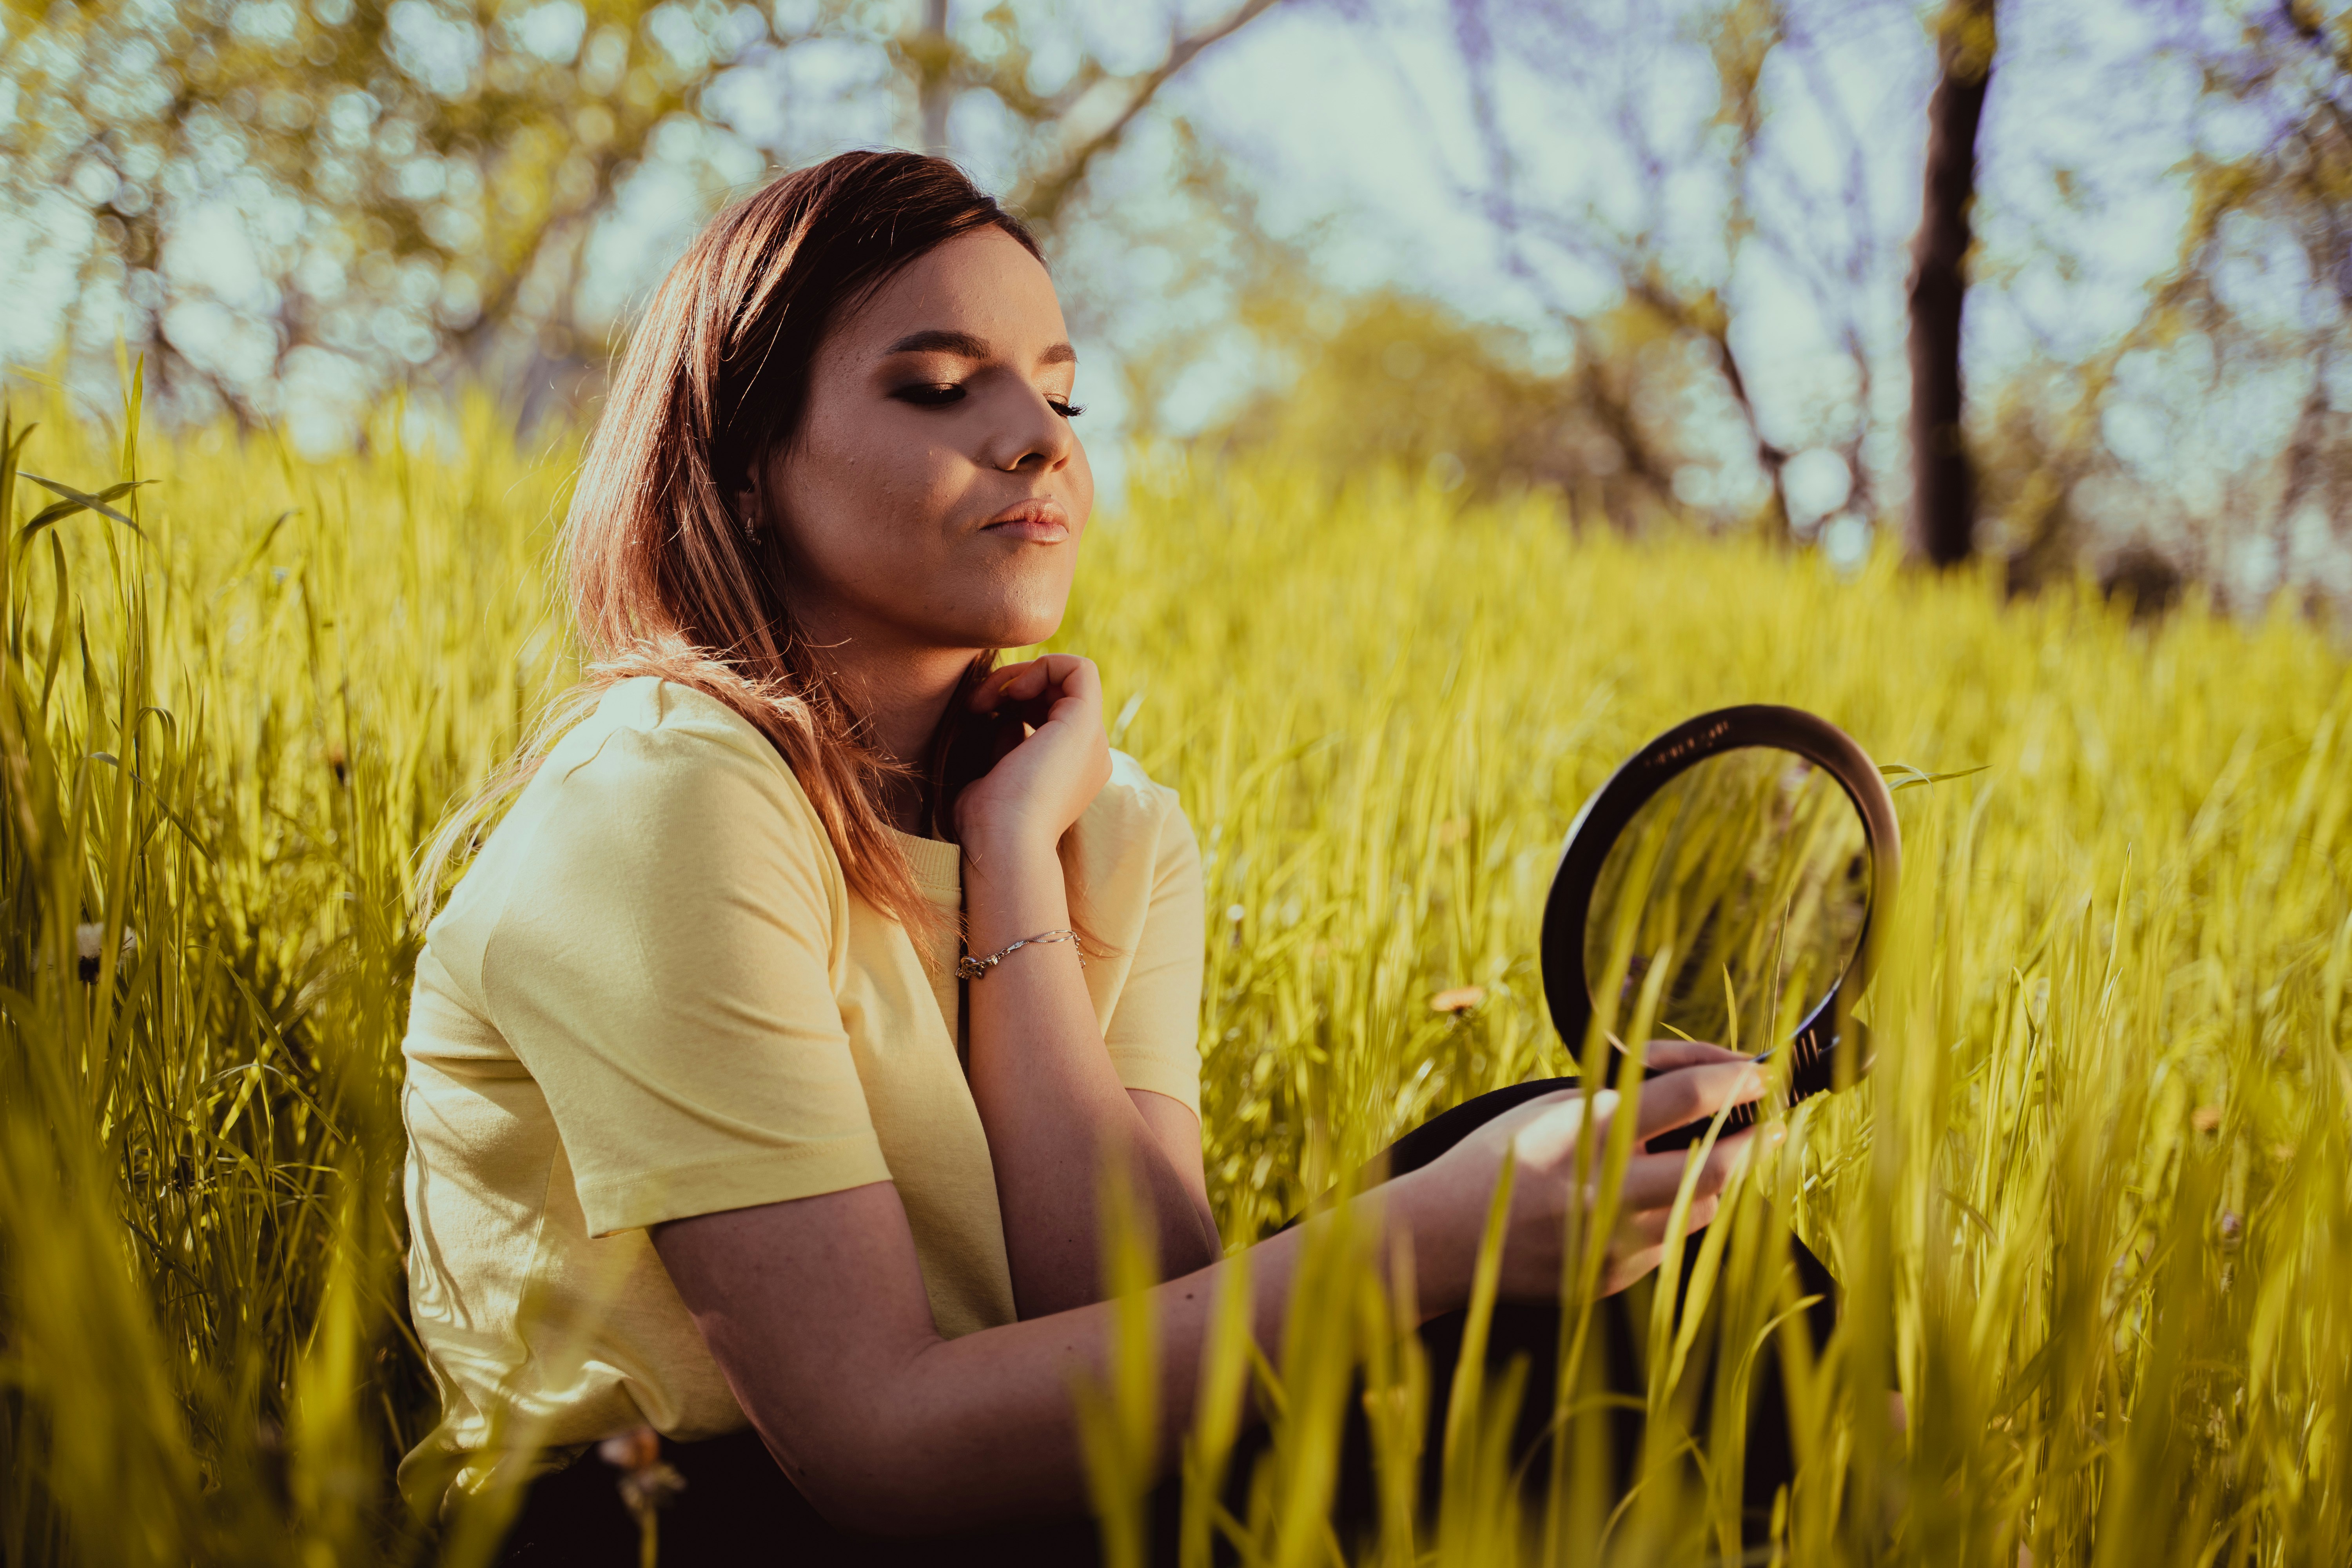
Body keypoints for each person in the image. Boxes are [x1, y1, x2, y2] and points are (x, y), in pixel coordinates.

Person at [396, 149, 1814, 1567]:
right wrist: (1428, 1240)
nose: (1041, 440)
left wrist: (1011, 861)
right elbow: (873, 1447)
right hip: (670, 1515)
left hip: (1020, 1492)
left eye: (1060, 392)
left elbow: (1141, 1334)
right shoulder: (667, 793)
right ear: (744, 466)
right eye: (942, 387)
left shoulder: (1108, 823)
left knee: (1668, 1232)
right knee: (1464, 1215)